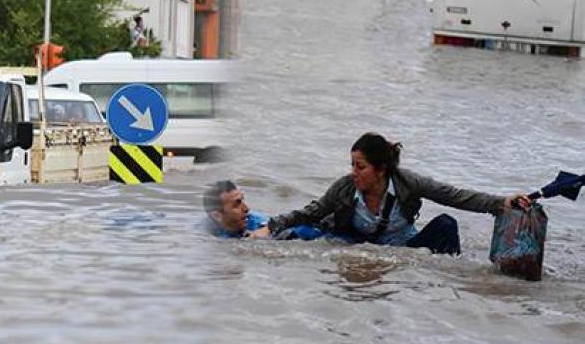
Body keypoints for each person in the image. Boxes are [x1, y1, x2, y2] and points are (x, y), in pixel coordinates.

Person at [250, 133, 531, 255]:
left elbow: (455, 195)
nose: (354, 172)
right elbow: (310, 212)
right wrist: (270, 227)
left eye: (360, 167)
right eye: (352, 165)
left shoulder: (408, 182)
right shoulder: (345, 188)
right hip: (358, 243)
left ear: (381, 169)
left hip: (403, 247)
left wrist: (501, 202)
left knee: (446, 224)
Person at [203, 180, 323, 240]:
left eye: (243, 201)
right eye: (237, 204)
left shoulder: (259, 225)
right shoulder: (205, 230)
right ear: (217, 216)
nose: (247, 208)